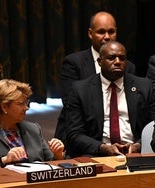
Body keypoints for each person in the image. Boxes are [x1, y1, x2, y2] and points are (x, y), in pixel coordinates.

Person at [55, 11, 136, 144]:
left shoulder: (128, 66)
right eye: (101, 32)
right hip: (83, 134)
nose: (107, 37)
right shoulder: (74, 63)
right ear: (90, 33)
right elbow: (71, 104)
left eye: (111, 32)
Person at [65, 41, 155, 157]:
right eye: (111, 58)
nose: (118, 62)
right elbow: (74, 134)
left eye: (122, 58)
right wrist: (103, 148)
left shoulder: (144, 87)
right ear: (99, 61)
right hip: (96, 154)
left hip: (136, 153)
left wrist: (138, 145)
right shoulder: (81, 90)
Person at [0, 79, 64, 167]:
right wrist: (5, 160)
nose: (26, 108)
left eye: (26, 103)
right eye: (21, 104)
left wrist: (58, 153)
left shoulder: (33, 129)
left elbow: (51, 162)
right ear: (4, 107)